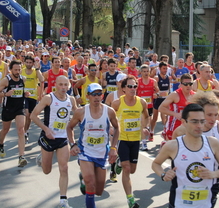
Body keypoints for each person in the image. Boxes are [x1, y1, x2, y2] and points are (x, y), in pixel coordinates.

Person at [152, 103, 219, 208]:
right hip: (179, 203)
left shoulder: (213, 143)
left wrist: (212, 174)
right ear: (184, 122)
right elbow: (156, 164)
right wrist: (163, 175)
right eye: (194, 121)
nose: (199, 125)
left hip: (205, 203)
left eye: (202, 121)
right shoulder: (173, 145)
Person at [67, 83, 119, 208]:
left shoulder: (109, 111)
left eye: (99, 94)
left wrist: (113, 147)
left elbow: (117, 128)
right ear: (88, 96)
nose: (97, 97)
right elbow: (69, 127)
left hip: (102, 152)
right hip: (86, 152)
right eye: (93, 94)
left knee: (99, 190)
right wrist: (73, 144)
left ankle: (83, 178)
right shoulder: (81, 112)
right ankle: (86, 180)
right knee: (91, 183)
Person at [30, 76, 77, 208]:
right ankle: (42, 156)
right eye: (60, 85)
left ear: (69, 86)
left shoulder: (71, 100)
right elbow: (33, 115)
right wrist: (46, 129)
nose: (63, 87)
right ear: (55, 85)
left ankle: (63, 200)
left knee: (64, 168)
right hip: (48, 138)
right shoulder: (48, 98)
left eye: (65, 85)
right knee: (47, 171)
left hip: (62, 138)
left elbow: (78, 114)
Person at [111, 75, 150, 208]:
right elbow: (109, 117)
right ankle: (130, 199)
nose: (133, 89)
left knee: (132, 170)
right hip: (122, 139)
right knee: (127, 168)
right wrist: (112, 128)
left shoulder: (142, 102)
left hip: (135, 140)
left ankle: (119, 163)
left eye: (135, 86)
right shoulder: (117, 103)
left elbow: (146, 116)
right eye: (130, 86)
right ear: (123, 89)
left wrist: (145, 127)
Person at [0, 60, 30, 167]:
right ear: (11, 70)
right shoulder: (6, 80)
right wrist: (6, 94)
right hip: (8, 109)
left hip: (20, 108)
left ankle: (21, 157)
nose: (18, 72)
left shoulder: (23, 79)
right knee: (5, 130)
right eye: (15, 70)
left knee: (21, 130)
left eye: (19, 69)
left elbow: (22, 92)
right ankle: (0, 144)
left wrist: (25, 94)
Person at [159, 73, 195, 146]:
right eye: (185, 84)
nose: (188, 86)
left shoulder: (195, 95)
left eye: (190, 84)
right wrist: (175, 114)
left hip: (187, 128)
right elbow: (161, 108)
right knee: (171, 151)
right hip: (173, 127)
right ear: (181, 84)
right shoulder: (175, 95)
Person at [22, 55, 44, 143]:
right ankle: (23, 133)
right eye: (27, 62)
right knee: (26, 114)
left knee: (30, 117)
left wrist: (37, 68)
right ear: (24, 63)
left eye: (30, 62)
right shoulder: (21, 71)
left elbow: (42, 80)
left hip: (33, 97)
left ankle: (26, 132)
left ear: (33, 63)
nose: (28, 64)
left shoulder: (35, 71)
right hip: (24, 96)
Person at [137, 64, 159, 149]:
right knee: (143, 123)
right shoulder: (138, 81)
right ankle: (144, 142)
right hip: (140, 105)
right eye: (144, 71)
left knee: (147, 123)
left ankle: (144, 135)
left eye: (147, 71)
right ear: (141, 72)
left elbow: (158, 91)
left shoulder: (153, 81)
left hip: (149, 106)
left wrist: (156, 94)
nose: (146, 73)